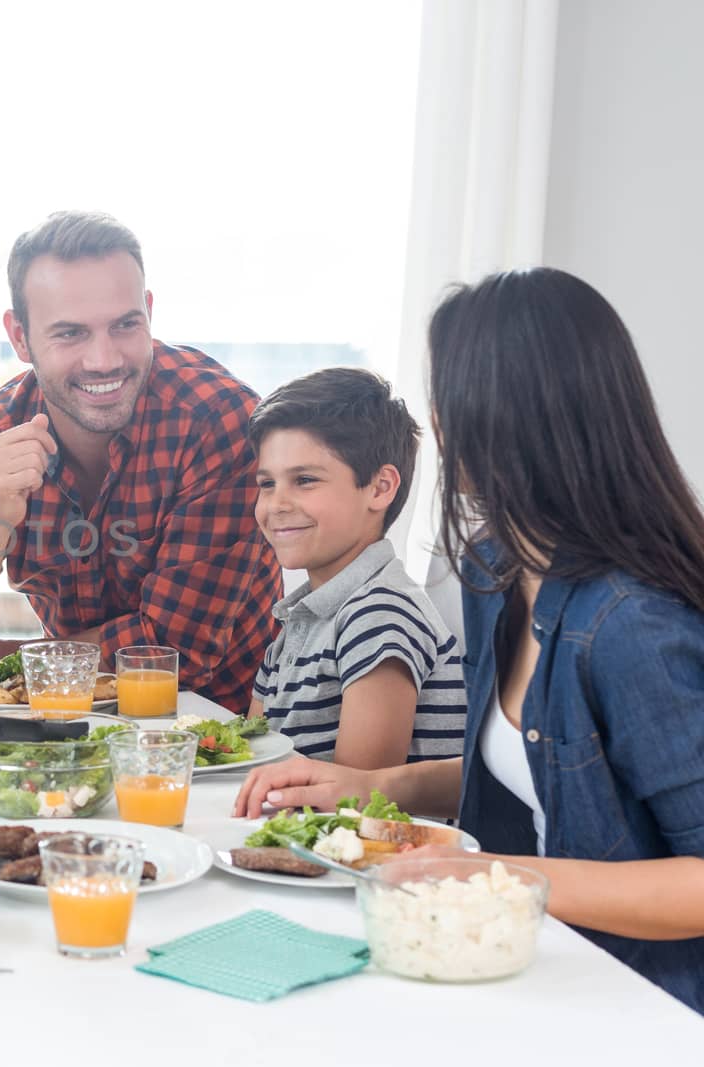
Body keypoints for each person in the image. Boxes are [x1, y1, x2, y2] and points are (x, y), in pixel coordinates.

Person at [236, 268, 704, 1013]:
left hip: (637, 998)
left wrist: (496, 880)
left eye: (445, 396)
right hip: (520, 960)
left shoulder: (632, 624)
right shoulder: (495, 569)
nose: (438, 424)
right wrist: (375, 787)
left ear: (505, 416)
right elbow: (527, 766)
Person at [0, 210, 281, 712]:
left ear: (149, 312)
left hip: (223, 741)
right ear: (20, 337)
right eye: (70, 334)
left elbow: (173, 651)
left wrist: (5, 674)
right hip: (67, 727)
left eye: (124, 325)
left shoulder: (218, 421)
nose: (104, 359)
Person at [245, 367, 467, 767]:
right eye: (267, 484)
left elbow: (358, 802)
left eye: (305, 480)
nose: (276, 505)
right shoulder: (301, 617)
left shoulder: (379, 615)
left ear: (380, 488)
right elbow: (249, 756)